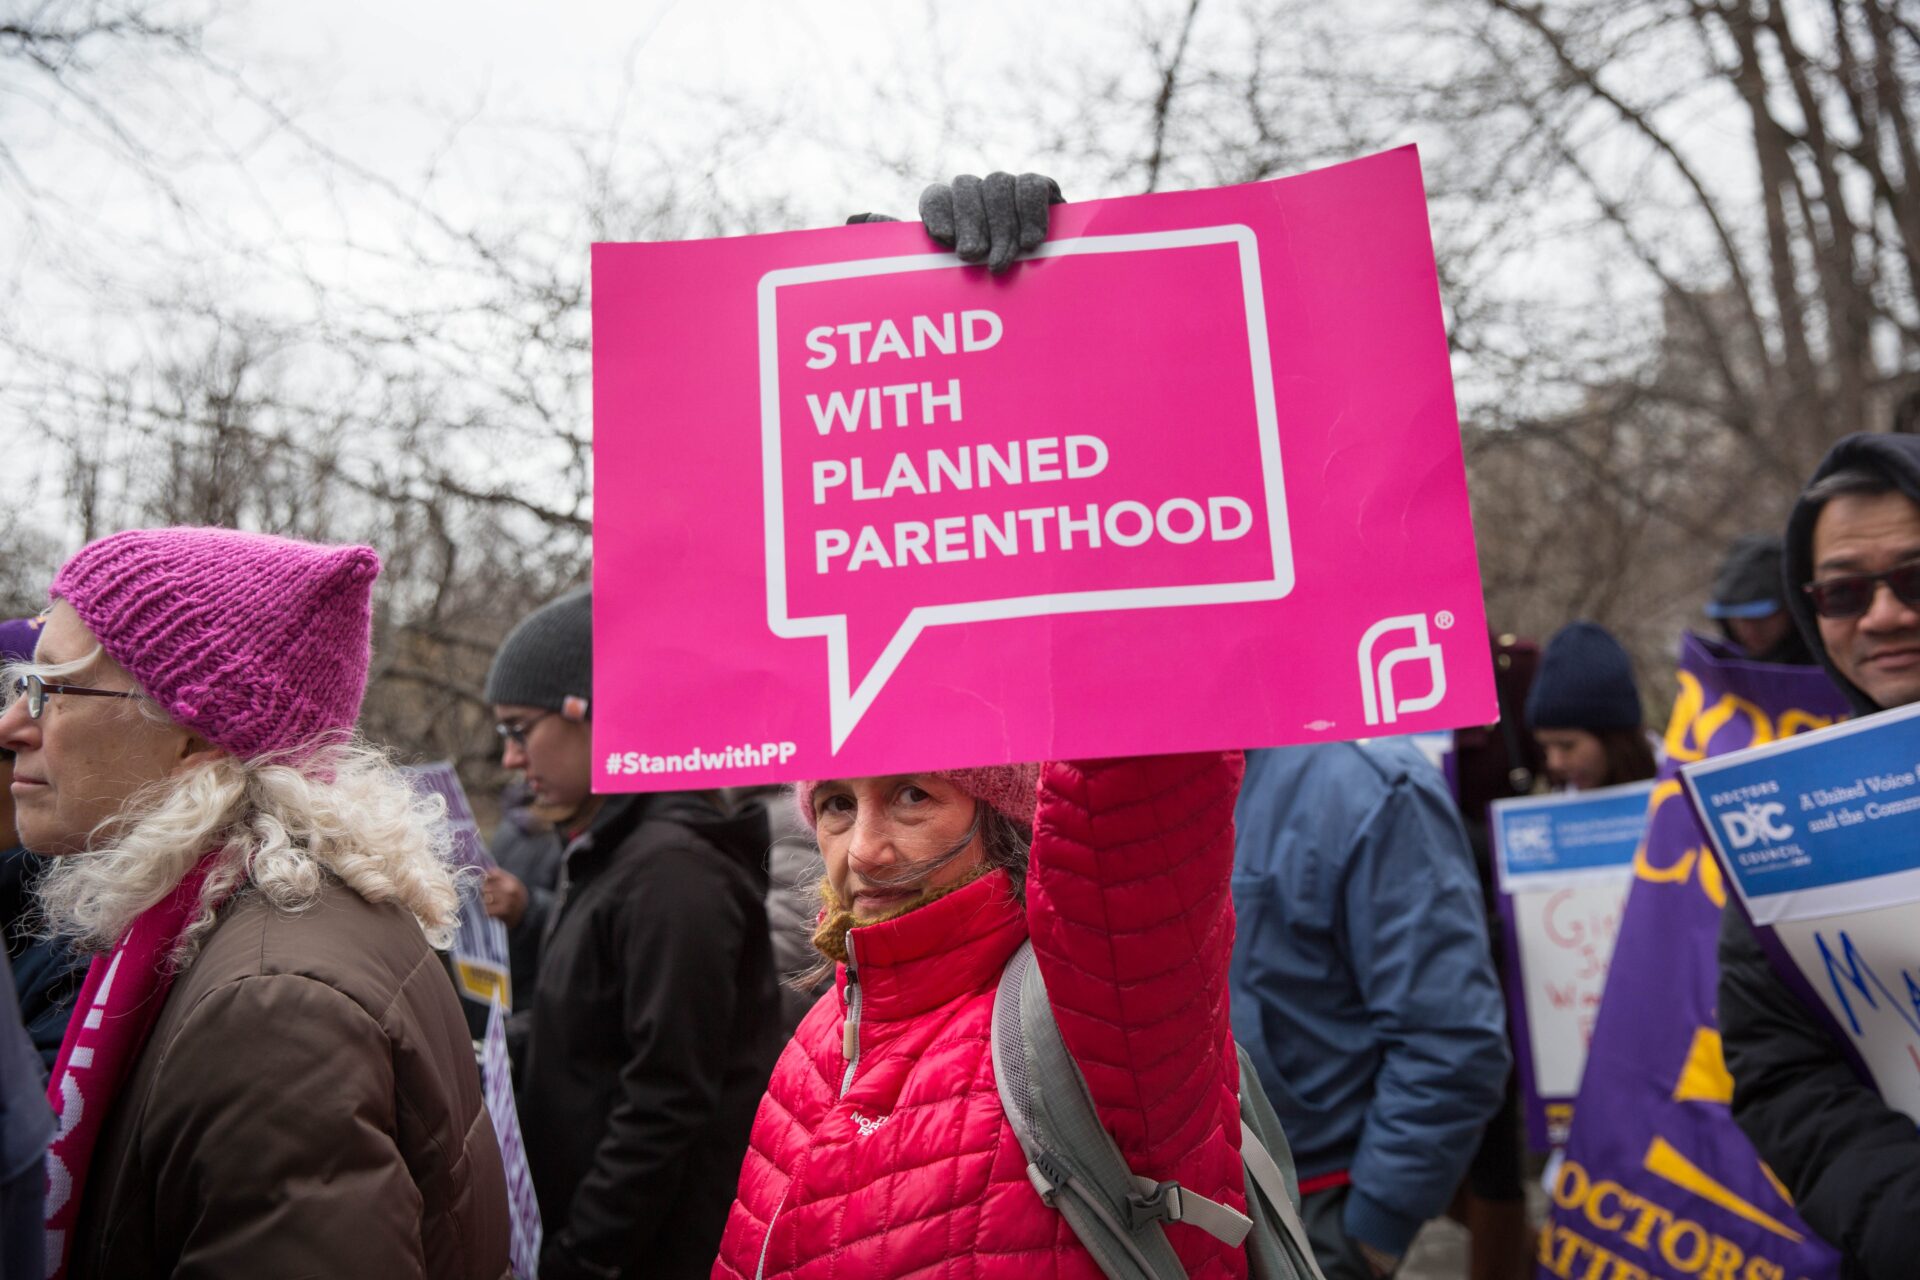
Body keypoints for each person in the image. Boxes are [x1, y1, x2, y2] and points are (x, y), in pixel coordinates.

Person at [0, 526, 508, 1279]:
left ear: (192, 736)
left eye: (51, 689)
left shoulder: (273, 1007)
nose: (12, 725)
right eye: (19, 686)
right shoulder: (255, 920)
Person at [712, 753, 1252, 1279]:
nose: (862, 853)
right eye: (837, 805)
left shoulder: (1092, 1008)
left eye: (913, 796)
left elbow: (1139, 809)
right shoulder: (820, 1031)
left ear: (1004, 817)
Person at [485, 585, 782, 1280]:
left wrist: (582, 1259)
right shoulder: (616, 851)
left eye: (518, 730)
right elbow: (596, 1034)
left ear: (590, 710)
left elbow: (666, 1103)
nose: (510, 761)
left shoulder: (672, 872)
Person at [1718, 433, 1920, 1279]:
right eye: (1843, 592)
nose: (1883, 615)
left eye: (1915, 578)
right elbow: (1781, 1071)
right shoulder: (1792, 812)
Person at [1230, 742, 1510, 1279]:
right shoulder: (1144, 770)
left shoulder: (1370, 785)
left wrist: (1373, 1229)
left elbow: (1452, 1039)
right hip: (1178, 1199)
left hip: (1313, 1203)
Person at [1524, 621, 1658, 791]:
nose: (1554, 763)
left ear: (1614, 738)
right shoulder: (1565, 798)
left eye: (1567, 745)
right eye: (1545, 747)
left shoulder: (1678, 791)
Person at [1704, 533, 1814, 664]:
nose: (1748, 631)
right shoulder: (1723, 666)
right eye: (1737, 619)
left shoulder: (1829, 663)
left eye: (1760, 618)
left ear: (1792, 607)